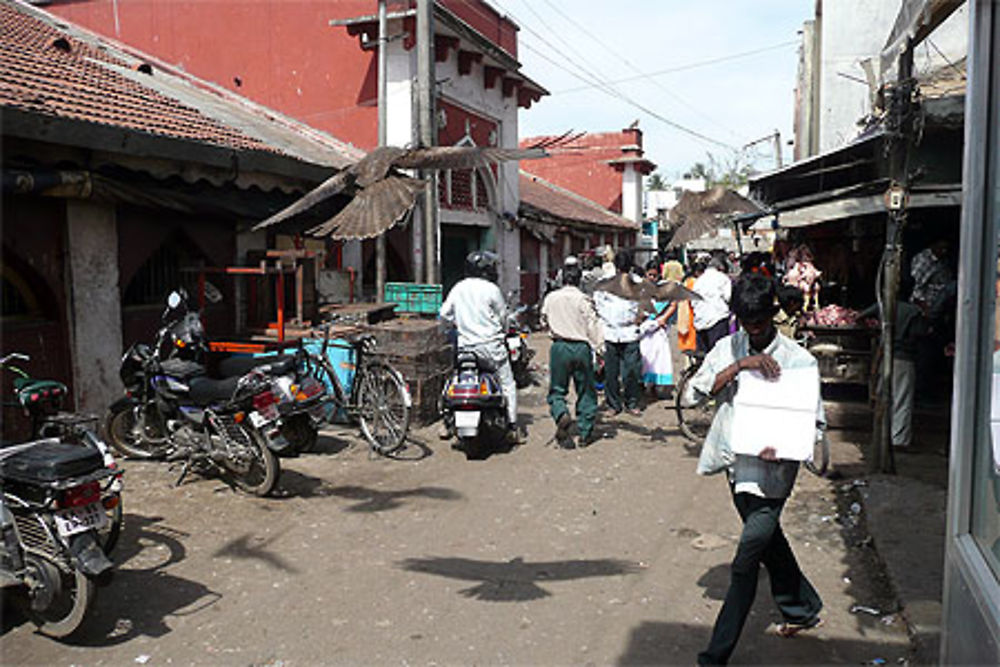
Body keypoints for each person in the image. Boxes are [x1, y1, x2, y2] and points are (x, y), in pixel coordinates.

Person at [691, 274, 824, 666]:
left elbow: (814, 425)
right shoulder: (726, 347)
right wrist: (740, 366)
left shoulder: (800, 361)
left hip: (774, 477)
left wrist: (785, 449)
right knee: (769, 543)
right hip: (737, 467)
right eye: (747, 324)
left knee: (746, 561)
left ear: (773, 316)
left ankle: (714, 656)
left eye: (761, 324)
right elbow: (698, 391)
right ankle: (801, 607)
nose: (754, 331)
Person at [439, 250, 523, 444]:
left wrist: (449, 327)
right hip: (492, 349)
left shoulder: (459, 288)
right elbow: (503, 318)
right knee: (508, 383)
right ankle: (512, 427)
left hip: (466, 349)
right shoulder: (492, 289)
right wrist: (502, 332)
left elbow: (444, 314)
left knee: (453, 377)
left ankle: (445, 422)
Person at [540, 258, 605, 449]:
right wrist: (600, 350)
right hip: (581, 348)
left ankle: (561, 413)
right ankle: (585, 433)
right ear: (579, 281)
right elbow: (593, 326)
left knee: (557, 390)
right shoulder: (584, 300)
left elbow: (543, 321)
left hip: (559, 347)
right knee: (586, 390)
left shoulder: (551, 298)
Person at [859, 276, 928, 448]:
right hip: (904, 358)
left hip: (884, 356)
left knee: (884, 397)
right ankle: (898, 440)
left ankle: (882, 436)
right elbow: (920, 335)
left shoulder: (884, 306)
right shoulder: (914, 311)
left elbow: (860, 317)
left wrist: (876, 330)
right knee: (902, 399)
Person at [593, 250, 643, 416]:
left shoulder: (637, 283)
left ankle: (632, 402)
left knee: (631, 371)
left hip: (630, 332)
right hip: (610, 332)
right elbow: (597, 302)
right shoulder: (605, 282)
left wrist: (639, 316)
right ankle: (613, 404)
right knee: (610, 372)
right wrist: (606, 318)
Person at [639, 260, 675, 399]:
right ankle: (641, 384)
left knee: (658, 358)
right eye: (650, 275)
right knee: (644, 356)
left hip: (658, 328)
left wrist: (664, 318)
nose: (652, 278)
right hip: (644, 328)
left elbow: (673, 304)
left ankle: (654, 386)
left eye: (655, 275)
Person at [692, 253, 732, 355]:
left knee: (704, 357)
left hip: (700, 322)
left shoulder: (698, 281)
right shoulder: (722, 278)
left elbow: (693, 303)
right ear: (721, 268)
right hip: (717, 320)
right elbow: (729, 297)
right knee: (719, 356)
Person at [676, 260, 703, 367]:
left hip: (685, 316)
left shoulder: (686, 282)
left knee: (688, 349)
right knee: (693, 345)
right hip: (692, 316)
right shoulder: (694, 283)